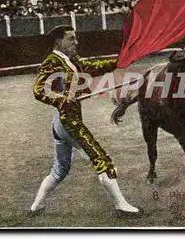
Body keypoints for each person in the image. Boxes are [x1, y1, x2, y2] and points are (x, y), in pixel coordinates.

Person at [30, 25, 143, 219]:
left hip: (61, 121)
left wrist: (119, 62)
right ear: (59, 41)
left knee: (60, 168)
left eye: (76, 38)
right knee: (102, 160)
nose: (76, 42)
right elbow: (38, 90)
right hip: (69, 122)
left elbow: (93, 68)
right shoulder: (52, 61)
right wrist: (62, 98)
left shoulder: (71, 60)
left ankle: (36, 207)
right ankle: (121, 206)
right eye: (71, 39)